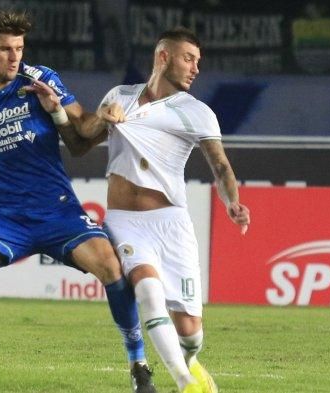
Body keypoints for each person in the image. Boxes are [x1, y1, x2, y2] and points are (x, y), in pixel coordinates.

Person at [0, 9, 155, 393]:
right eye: (6, 49)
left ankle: (139, 365)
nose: (15, 58)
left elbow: (80, 128)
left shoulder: (39, 79)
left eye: (19, 49)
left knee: (110, 265)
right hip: (5, 217)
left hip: (59, 211)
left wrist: (104, 117)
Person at [77, 28, 251, 393]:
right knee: (147, 290)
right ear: (163, 57)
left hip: (171, 224)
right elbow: (84, 138)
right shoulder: (119, 97)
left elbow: (219, 166)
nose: (196, 68)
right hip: (125, 222)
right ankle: (184, 382)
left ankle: (190, 361)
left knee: (190, 330)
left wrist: (231, 201)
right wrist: (102, 117)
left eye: (198, 61)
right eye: (189, 58)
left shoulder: (197, 112)